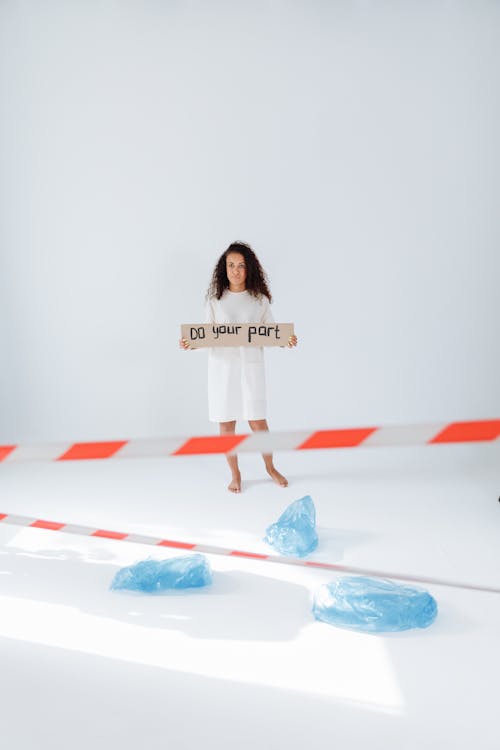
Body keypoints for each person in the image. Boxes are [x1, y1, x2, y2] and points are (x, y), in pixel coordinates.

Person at [179, 241, 298, 493]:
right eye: (230, 265)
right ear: (224, 269)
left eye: (241, 266)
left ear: (249, 269)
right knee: (226, 425)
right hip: (223, 371)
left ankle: (270, 467)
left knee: (258, 423)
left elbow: (272, 332)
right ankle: (235, 474)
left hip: (251, 369)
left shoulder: (259, 300)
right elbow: (207, 334)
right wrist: (192, 343)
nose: (235, 270)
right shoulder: (215, 301)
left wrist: (286, 341)